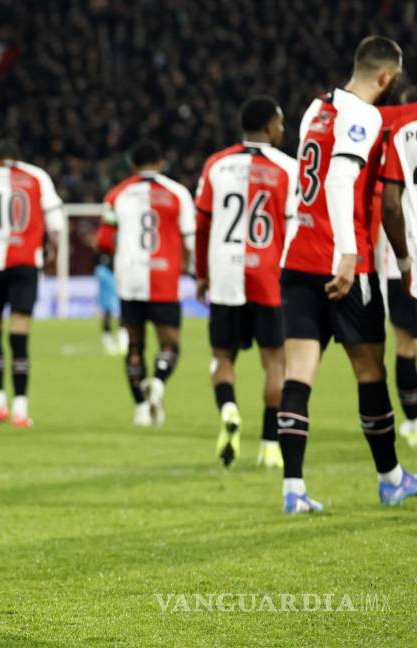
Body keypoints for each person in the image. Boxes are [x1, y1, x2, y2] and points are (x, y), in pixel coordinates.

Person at [277, 36, 417, 514]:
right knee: (369, 371)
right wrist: (346, 252)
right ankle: (391, 479)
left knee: (298, 375)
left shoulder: (316, 109)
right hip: (342, 264)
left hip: (296, 259)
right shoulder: (365, 116)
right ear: (386, 78)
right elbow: (339, 178)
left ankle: (293, 489)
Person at [194, 97, 297, 469]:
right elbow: (294, 228)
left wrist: (201, 273)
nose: (283, 131)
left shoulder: (217, 165)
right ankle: (270, 444)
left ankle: (230, 409)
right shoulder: (288, 168)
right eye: (281, 124)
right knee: (275, 363)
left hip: (224, 272)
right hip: (268, 273)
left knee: (222, 357)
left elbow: (202, 224)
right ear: (270, 126)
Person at [0, 140, 64, 427]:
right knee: (20, 336)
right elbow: (57, 224)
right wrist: (53, 251)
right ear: (18, 158)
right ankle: (21, 410)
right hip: (26, 265)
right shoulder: (38, 176)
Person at [96, 141, 195, 426]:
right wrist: (189, 268)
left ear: (132, 166)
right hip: (164, 279)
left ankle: (140, 408)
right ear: (161, 163)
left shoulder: (117, 194)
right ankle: (159, 383)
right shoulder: (178, 193)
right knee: (170, 345)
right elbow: (190, 240)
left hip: (129, 279)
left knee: (135, 346)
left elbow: (103, 241)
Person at [375, 87, 417, 448]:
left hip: (404, 254)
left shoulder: (394, 126)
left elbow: (390, 203)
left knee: (405, 343)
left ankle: (414, 422)